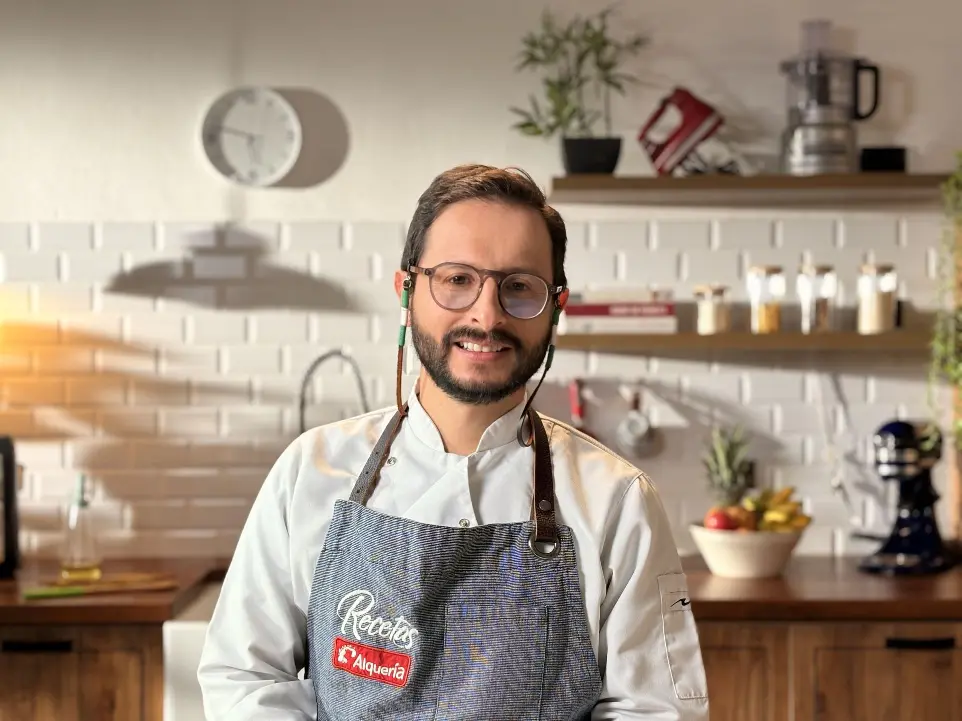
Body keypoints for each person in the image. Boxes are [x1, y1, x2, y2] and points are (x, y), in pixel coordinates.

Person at [197, 164, 710, 720]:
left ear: (556, 307)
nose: (486, 315)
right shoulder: (310, 471)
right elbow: (244, 678)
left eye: (518, 287)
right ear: (407, 290)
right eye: (457, 279)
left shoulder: (619, 502)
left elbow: (654, 711)